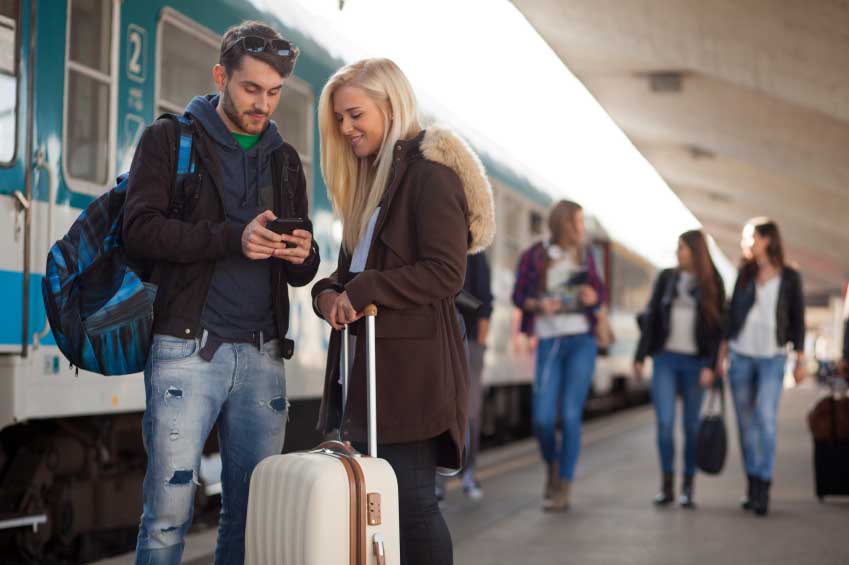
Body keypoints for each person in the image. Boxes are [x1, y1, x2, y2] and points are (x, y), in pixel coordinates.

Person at [123, 21, 319, 564]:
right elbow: (138, 229)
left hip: (262, 356)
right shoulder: (169, 139)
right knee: (166, 517)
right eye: (251, 89)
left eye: (274, 93)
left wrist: (305, 254)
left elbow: (300, 268)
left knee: (252, 516)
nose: (263, 104)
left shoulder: (284, 161)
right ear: (220, 76)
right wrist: (234, 238)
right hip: (187, 351)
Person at [310, 58, 495, 565]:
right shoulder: (373, 187)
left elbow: (445, 273)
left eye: (354, 115)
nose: (346, 129)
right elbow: (348, 275)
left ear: (390, 107)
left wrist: (365, 288)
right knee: (382, 507)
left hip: (413, 379)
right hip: (370, 375)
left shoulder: (431, 178)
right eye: (340, 120)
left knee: (412, 507)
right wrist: (327, 294)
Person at [511, 200, 606, 512]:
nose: (582, 228)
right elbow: (518, 296)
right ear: (565, 223)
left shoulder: (586, 254)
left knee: (569, 415)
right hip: (550, 342)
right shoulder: (534, 256)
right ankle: (552, 465)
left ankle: (562, 486)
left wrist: (593, 296)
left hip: (582, 340)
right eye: (578, 222)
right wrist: (540, 306)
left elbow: (599, 292)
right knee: (541, 419)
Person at [718, 218, 806, 517]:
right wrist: (722, 353)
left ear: (767, 240)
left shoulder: (790, 277)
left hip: (773, 356)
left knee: (765, 420)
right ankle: (753, 481)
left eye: (750, 237)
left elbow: (797, 319)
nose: (746, 243)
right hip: (741, 355)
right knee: (745, 425)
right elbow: (730, 316)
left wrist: (800, 359)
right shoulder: (744, 273)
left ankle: (764, 484)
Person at [634, 230, 726, 508]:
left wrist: (711, 365)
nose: (678, 252)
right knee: (664, 424)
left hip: (696, 364)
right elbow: (651, 317)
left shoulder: (713, 283)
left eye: (682, 248)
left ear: (696, 251)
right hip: (665, 359)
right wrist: (640, 356)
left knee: (691, 427)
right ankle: (666, 485)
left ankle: (688, 485)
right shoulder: (666, 278)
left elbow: (717, 330)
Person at [461, 251, 494, 499]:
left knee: (469, 412)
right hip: (437, 339)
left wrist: (479, 346)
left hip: (469, 341)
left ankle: (470, 473)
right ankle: (438, 483)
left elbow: (484, 303)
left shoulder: (475, 250)